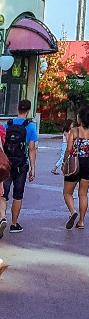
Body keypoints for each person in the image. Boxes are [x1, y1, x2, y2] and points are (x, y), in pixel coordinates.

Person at [0, 99, 38, 235]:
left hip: (6, 164)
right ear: (28, 110)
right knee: (18, 195)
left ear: (18, 109)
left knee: (3, 194)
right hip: (21, 165)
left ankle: (2, 217)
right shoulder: (31, 126)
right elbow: (32, 149)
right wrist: (33, 168)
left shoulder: (7, 124)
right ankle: (14, 224)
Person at [62, 107, 89, 230]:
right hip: (88, 163)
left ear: (80, 118)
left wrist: (64, 161)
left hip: (74, 162)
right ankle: (81, 221)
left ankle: (72, 211)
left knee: (67, 193)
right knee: (83, 194)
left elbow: (69, 149)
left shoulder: (74, 131)